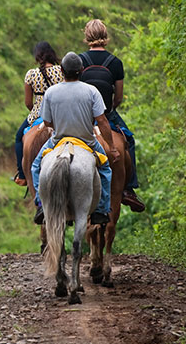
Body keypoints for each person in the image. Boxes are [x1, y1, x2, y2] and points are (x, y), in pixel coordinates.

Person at [30, 52, 120, 225]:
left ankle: (41, 204)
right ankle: (101, 209)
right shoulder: (91, 91)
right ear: (82, 70)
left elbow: (47, 122)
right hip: (87, 141)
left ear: (62, 70)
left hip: (58, 140)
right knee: (106, 169)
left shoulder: (51, 92)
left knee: (35, 167)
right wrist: (112, 148)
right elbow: (102, 121)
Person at [78, 19, 145, 212]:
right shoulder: (115, 63)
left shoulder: (80, 61)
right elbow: (119, 97)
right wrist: (108, 109)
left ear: (87, 36)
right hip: (107, 115)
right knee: (129, 140)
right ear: (105, 36)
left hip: (84, 117)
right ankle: (129, 190)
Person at [13, 41, 64, 186]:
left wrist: (36, 112)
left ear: (37, 56)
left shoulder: (31, 74)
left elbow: (28, 103)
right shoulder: (61, 70)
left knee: (18, 137)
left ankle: (22, 175)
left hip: (38, 114)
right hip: (58, 114)